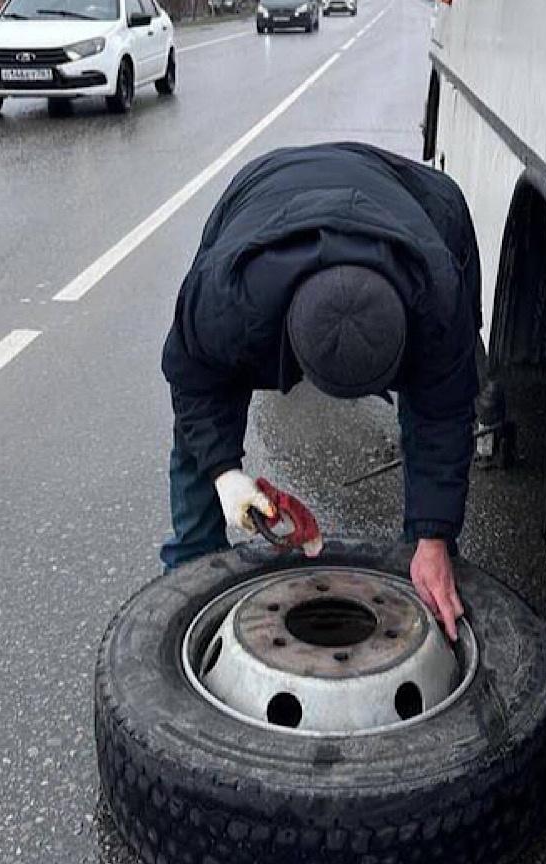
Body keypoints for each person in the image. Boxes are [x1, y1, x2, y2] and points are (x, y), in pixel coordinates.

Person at [160, 142, 481, 640]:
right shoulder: (228, 299)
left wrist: (433, 534)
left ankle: (429, 565)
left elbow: (446, 413)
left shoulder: (438, 296)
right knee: (198, 449)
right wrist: (223, 473)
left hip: (418, 201)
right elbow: (196, 382)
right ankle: (187, 574)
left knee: (437, 408)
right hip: (262, 193)